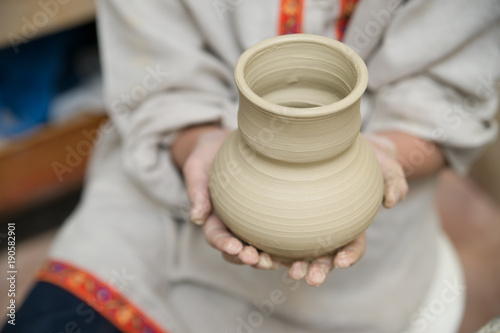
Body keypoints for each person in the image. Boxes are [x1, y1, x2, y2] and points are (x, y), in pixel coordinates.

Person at [4, 0, 500, 332]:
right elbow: (156, 77)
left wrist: (387, 157)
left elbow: (448, 101)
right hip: (155, 209)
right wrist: (197, 143)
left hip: (369, 253)